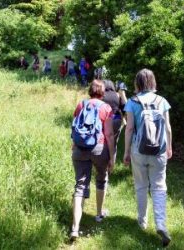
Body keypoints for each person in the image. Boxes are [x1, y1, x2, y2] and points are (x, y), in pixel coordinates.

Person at [123, 69, 172, 247]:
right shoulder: (162, 101)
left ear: (137, 83)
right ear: (153, 82)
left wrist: (126, 152)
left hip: (139, 150)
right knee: (159, 187)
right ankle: (161, 224)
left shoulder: (132, 102)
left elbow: (129, 129)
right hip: (159, 151)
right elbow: (167, 128)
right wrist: (170, 147)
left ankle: (142, 222)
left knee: (141, 186)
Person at [70, 79, 115, 240]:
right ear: (103, 92)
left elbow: (75, 127)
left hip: (80, 148)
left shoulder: (81, 105)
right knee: (101, 179)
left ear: (90, 90)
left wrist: (74, 145)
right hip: (99, 148)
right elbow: (109, 134)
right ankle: (98, 214)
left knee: (80, 185)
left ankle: (75, 228)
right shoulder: (106, 108)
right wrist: (111, 156)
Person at [102, 79, 126, 161]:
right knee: (114, 144)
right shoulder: (117, 95)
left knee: (103, 142)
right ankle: (111, 164)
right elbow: (124, 108)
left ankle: (103, 164)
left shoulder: (101, 95)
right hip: (116, 120)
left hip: (105, 121)